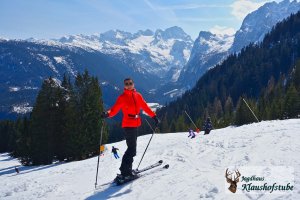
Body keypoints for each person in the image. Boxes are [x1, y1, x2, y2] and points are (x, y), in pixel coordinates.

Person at [101, 77, 160, 179]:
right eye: (126, 84)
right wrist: (107, 114)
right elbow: (114, 110)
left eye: (130, 83)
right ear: (124, 86)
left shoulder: (138, 95)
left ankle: (127, 169)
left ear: (133, 84)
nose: (128, 85)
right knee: (132, 149)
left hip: (135, 124)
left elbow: (145, 107)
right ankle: (125, 171)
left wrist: (154, 116)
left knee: (132, 149)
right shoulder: (122, 97)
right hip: (128, 125)